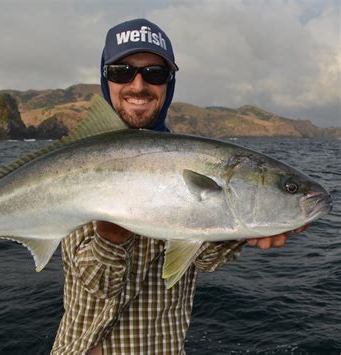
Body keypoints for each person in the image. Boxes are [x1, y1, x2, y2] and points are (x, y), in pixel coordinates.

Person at [51, 18, 307, 355]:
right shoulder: (76, 163)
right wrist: (112, 234)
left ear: (169, 84)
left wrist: (244, 230)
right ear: (105, 80)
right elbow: (97, 283)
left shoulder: (197, 158)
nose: (138, 85)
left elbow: (205, 259)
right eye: (122, 72)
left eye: (155, 74)